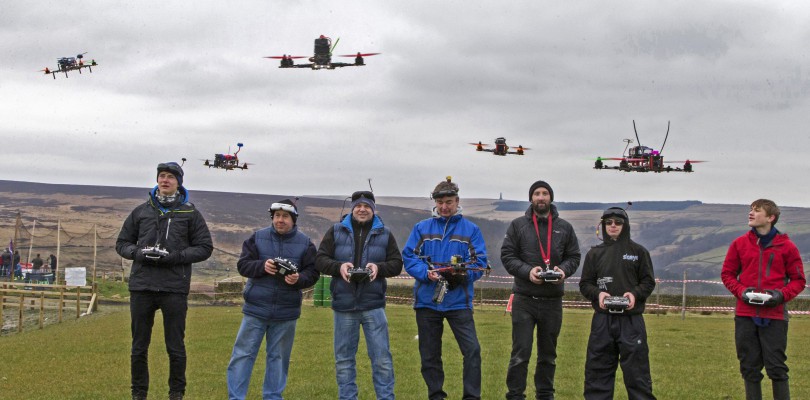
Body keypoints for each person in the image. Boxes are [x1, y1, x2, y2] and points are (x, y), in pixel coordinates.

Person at [116, 161, 213, 400]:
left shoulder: (190, 213)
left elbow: (205, 247)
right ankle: (138, 393)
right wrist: (138, 253)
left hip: (174, 288)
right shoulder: (141, 211)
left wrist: (176, 257)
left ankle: (176, 393)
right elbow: (122, 243)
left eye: (170, 176)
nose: (164, 180)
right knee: (139, 347)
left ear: (179, 182)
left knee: (175, 347)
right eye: (161, 176)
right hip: (142, 286)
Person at [403, 177, 488, 400]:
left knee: (472, 351)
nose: (444, 207)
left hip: (459, 302)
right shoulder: (421, 228)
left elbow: (480, 263)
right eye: (440, 202)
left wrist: (463, 276)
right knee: (429, 356)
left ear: (457, 201)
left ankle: (471, 396)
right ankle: (436, 395)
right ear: (435, 202)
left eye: (449, 202)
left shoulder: (472, 230)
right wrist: (425, 273)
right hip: (427, 301)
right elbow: (409, 256)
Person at [227, 199, 320, 400]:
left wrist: (298, 279)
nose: (280, 220)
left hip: (286, 312)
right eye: (277, 216)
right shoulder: (256, 238)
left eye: (285, 216)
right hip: (255, 309)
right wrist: (261, 267)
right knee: (242, 355)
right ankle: (236, 397)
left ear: (293, 220)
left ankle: (273, 397)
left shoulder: (306, 243)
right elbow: (243, 265)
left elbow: (312, 273)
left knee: (278, 359)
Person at [315, 191, 403, 400]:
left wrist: (378, 268)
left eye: (367, 206)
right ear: (352, 208)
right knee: (344, 360)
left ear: (373, 209)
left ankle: (386, 397)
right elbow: (319, 259)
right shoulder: (335, 231)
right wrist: (339, 267)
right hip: (344, 306)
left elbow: (397, 264)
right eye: (358, 206)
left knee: (382, 359)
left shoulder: (385, 233)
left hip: (373, 305)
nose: (362, 209)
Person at [501, 180, 581, 400]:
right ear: (531, 198)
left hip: (552, 301)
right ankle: (515, 395)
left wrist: (563, 271)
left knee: (548, 356)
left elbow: (574, 256)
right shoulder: (518, 226)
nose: (541, 197)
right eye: (537, 193)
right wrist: (528, 272)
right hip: (524, 299)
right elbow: (507, 256)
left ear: (551, 198)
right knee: (520, 354)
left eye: (545, 193)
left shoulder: (564, 227)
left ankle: (545, 395)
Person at [720, 199, 806, 400]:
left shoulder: (787, 247)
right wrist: (741, 292)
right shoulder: (739, 244)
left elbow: (798, 280)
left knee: (776, 368)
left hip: (775, 316)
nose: (751, 213)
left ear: (770, 217)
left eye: (757, 211)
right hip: (745, 315)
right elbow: (727, 274)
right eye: (750, 210)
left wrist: (781, 296)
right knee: (749, 368)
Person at [579, 207, 657, 399]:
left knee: (638, 376)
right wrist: (598, 295)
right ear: (603, 226)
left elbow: (648, 282)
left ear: (625, 225)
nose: (613, 226)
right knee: (597, 374)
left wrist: (634, 295)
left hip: (631, 321)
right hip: (603, 321)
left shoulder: (638, 252)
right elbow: (585, 284)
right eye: (608, 223)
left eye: (618, 222)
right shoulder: (594, 254)